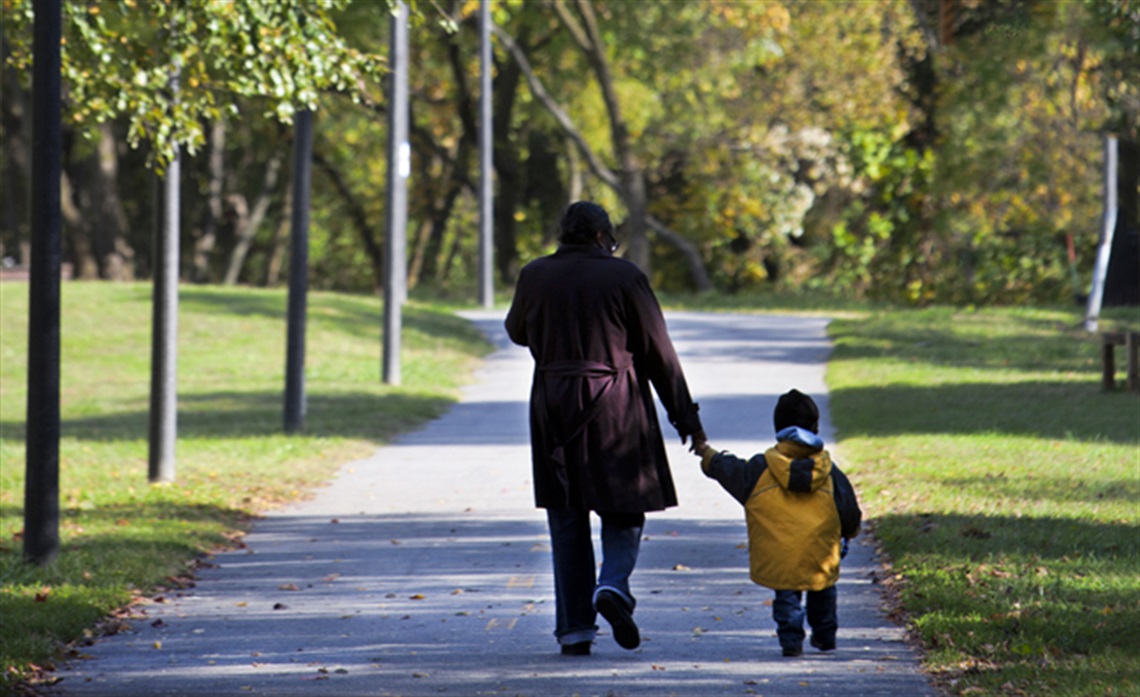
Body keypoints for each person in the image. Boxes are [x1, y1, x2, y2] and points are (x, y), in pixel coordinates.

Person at [505, 201, 706, 656]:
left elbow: (517, 331)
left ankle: (575, 630)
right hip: (615, 405)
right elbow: (659, 353)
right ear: (601, 237)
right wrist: (687, 420)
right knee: (623, 509)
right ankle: (612, 584)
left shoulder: (535, 274)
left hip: (553, 404)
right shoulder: (624, 277)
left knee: (566, 515)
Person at [693, 389, 861, 657]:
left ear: (777, 429)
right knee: (823, 589)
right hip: (821, 550)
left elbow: (729, 469)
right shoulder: (830, 472)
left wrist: (707, 453)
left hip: (779, 553)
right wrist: (850, 532)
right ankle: (825, 635)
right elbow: (848, 508)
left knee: (786, 596)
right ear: (815, 427)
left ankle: (791, 640)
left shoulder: (761, 469)